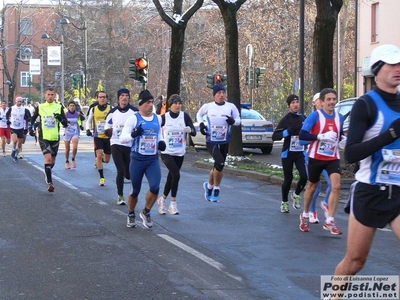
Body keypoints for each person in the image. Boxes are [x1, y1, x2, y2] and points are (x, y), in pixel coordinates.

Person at [334, 44, 400, 276]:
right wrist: (389, 135)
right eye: (392, 64)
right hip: (370, 191)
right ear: (377, 69)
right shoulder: (365, 105)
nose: (398, 69)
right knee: (355, 262)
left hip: (398, 191)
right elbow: (351, 154)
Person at [298, 87, 345, 234]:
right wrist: (320, 136)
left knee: (336, 186)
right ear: (322, 102)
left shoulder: (340, 117)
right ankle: (305, 215)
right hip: (316, 157)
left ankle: (330, 220)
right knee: (312, 187)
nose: (332, 102)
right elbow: (302, 136)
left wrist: (344, 140)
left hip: (332, 157)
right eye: (329, 100)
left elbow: (340, 134)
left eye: (333, 99)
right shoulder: (315, 116)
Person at [119, 89, 166, 229]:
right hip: (138, 158)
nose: (151, 105)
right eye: (147, 102)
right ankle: (131, 213)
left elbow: (159, 135)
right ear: (141, 104)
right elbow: (122, 139)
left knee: (155, 187)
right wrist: (134, 134)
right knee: (135, 191)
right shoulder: (134, 118)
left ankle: (146, 211)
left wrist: (161, 143)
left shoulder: (157, 118)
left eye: (152, 102)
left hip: (152, 159)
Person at [196, 83, 241, 202]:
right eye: (219, 93)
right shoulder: (208, 106)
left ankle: (209, 186)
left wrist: (233, 121)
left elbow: (238, 120)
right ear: (214, 95)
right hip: (211, 140)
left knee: (218, 166)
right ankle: (216, 189)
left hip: (224, 140)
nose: (222, 95)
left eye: (223, 93)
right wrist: (201, 124)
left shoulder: (231, 107)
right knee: (220, 163)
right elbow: (199, 115)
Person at [157, 94, 196, 215]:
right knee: (176, 174)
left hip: (179, 152)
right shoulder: (164, 117)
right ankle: (173, 203)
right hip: (166, 152)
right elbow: (155, 130)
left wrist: (190, 130)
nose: (178, 105)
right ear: (170, 105)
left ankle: (162, 199)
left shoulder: (184, 116)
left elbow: (194, 131)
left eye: (180, 103)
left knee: (171, 177)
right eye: (176, 103)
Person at [272, 94, 307, 213]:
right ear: (289, 106)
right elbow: (274, 136)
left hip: (300, 152)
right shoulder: (286, 119)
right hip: (287, 153)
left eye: (297, 102)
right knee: (288, 178)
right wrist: (286, 132)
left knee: (304, 176)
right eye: (292, 103)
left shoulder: (303, 118)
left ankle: (296, 194)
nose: (295, 105)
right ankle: (284, 202)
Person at [104, 88, 138, 205]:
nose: (124, 97)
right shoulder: (113, 112)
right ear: (119, 98)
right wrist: (108, 131)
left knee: (128, 173)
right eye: (122, 95)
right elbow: (106, 126)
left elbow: (139, 125)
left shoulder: (134, 112)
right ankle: (120, 195)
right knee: (120, 170)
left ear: (129, 97)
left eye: (126, 95)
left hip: (129, 144)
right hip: (116, 144)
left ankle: (128, 179)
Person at [30, 87, 68, 192]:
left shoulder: (59, 107)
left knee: (53, 161)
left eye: (52, 95)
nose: (50, 96)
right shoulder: (40, 107)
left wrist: (60, 118)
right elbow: (33, 118)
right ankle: (50, 183)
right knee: (48, 159)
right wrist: (30, 127)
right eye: (48, 95)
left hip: (55, 137)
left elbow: (65, 124)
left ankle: (47, 171)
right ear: (45, 96)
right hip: (44, 137)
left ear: (55, 96)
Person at [308, 92, 331, 224]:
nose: (321, 103)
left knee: (334, 184)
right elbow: (303, 139)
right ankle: (311, 211)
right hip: (312, 156)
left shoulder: (334, 117)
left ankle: (326, 203)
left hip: (328, 157)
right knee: (315, 186)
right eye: (318, 101)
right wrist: (318, 137)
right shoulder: (312, 118)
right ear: (315, 103)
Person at [86, 91, 111, 186]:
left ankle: (99, 161)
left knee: (107, 160)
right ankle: (102, 178)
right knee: (99, 154)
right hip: (98, 136)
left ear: (106, 98)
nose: (102, 99)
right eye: (100, 97)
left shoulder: (110, 108)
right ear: (97, 98)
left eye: (104, 97)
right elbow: (88, 121)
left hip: (108, 136)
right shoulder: (94, 109)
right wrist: (88, 129)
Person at [5, 95, 31, 162]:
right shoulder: (12, 108)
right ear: (15, 101)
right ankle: (13, 149)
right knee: (15, 140)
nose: (19, 102)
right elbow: (7, 115)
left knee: (20, 143)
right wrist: (8, 120)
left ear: (22, 102)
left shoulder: (25, 109)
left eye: (20, 101)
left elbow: (29, 117)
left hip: (21, 128)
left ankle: (15, 155)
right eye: (18, 101)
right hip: (13, 127)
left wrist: (27, 119)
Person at [63, 100, 85, 169]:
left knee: (75, 147)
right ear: (68, 107)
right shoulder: (65, 114)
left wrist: (81, 115)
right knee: (67, 149)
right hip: (67, 132)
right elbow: (62, 122)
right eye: (70, 106)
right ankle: (67, 161)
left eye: (73, 106)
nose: (72, 107)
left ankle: (73, 159)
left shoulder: (77, 113)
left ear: (75, 107)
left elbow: (82, 119)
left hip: (75, 132)